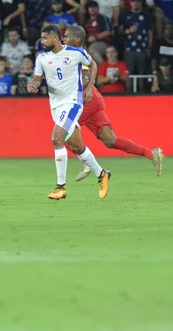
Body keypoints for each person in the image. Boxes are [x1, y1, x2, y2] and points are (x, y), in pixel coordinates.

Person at [63, 25, 163, 181]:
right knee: (110, 141)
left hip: (86, 99)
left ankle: (87, 163)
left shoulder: (78, 55)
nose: (64, 38)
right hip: (94, 99)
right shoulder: (74, 54)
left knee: (64, 132)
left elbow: (84, 76)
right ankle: (151, 153)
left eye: (67, 36)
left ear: (76, 40)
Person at [27, 24, 110, 200]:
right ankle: (102, 174)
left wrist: (89, 86)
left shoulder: (75, 53)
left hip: (73, 102)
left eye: (45, 38)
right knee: (76, 145)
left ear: (55, 38)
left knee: (56, 138)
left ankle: (61, 187)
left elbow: (93, 64)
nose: (42, 42)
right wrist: (32, 84)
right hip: (55, 105)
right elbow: (36, 79)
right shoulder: (41, 58)